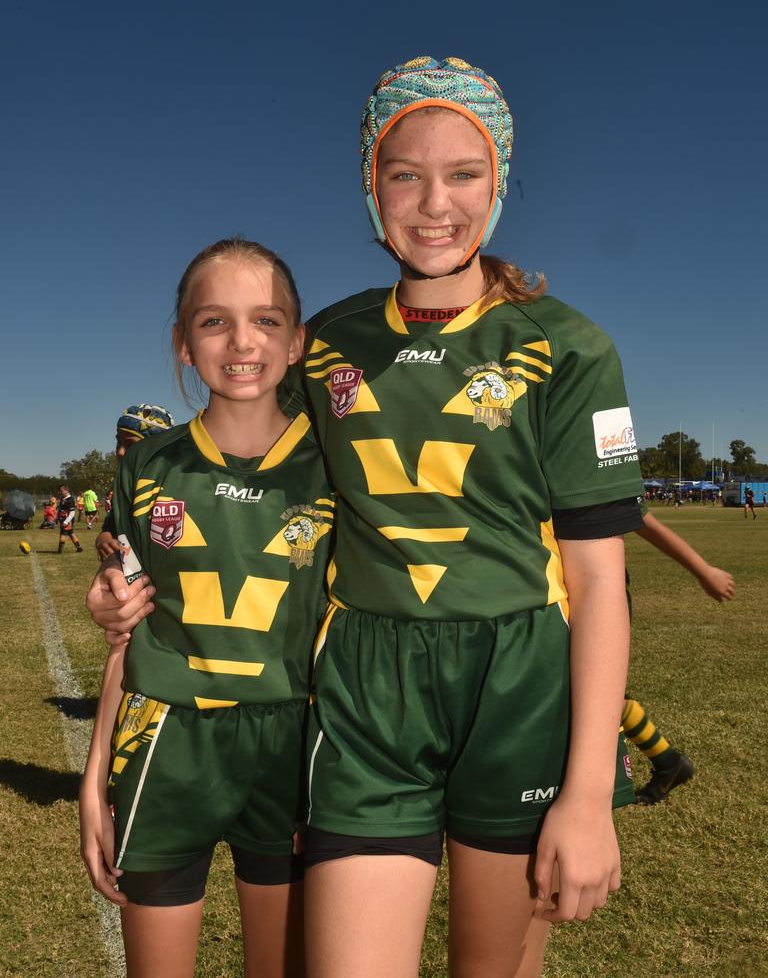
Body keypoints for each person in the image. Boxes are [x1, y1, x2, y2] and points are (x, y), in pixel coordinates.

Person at [86, 57, 644, 977]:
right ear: (369, 184)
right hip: (365, 693)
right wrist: (118, 596)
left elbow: (597, 579)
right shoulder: (328, 342)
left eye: (464, 174)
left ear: (500, 182)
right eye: (404, 174)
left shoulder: (572, 348)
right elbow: (239, 472)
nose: (434, 203)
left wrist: (585, 797)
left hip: (519, 685)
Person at [79, 239, 333, 978]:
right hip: (167, 741)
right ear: (184, 344)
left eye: (267, 319)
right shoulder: (150, 468)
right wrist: (94, 778)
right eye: (214, 321)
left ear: (297, 342)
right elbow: (127, 630)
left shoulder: (335, 464)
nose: (243, 341)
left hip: (293, 741)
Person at [623, 511, 735, 805]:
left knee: (589, 691)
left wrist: (702, 570)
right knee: (593, 693)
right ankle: (668, 762)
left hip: (595, 593)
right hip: (560, 589)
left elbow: (638, 517)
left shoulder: (584, 472)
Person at [95, 405, 176, 561]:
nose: (120, 451)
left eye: (131, 445)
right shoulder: (125, 489)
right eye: (119, 443)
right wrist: (103, 540)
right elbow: (109, 530)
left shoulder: (178, 487)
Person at [57, 484, 83, 553]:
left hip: (66, 520)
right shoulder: (62, 498)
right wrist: (57, 517)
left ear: (66, 491)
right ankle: (79, 547)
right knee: (71, 533)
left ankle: (60, 551)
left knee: (62, 533)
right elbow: (61, 509)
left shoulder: (70, 500)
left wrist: (66, 521)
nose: (60, 492)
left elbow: (72, 512)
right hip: (63, 519)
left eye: (61, 490)